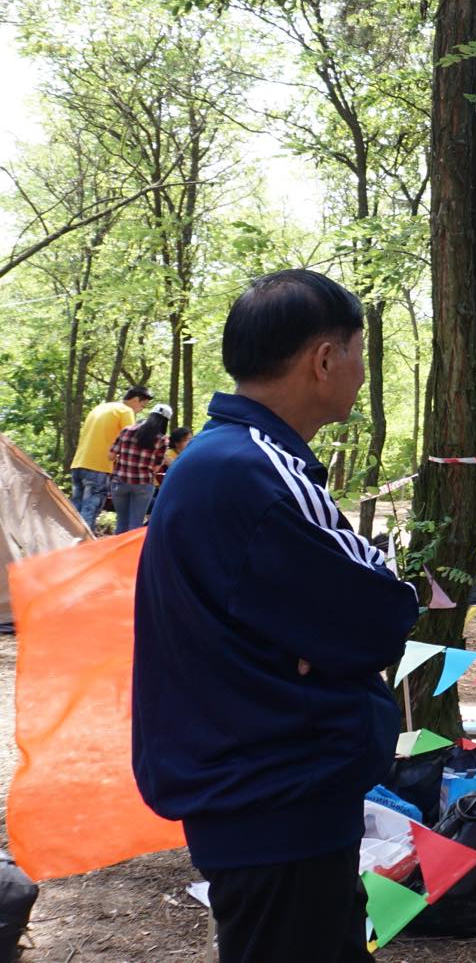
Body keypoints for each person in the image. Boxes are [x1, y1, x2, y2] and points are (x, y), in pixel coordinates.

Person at [133, 269, 421, 963]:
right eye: (358, 351)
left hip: (266, 790)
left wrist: (322, 641)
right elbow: (383, 611)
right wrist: (341, 635)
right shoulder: (253, 471)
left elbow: (338, 609)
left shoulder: (226, 458)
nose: (359, 370)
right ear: (324, 359)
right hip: (274, 795)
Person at [71, 383, 151, 534]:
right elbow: (130, 440)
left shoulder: (101, 407)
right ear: (135, 399)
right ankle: (84, 551)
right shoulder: (125, 411)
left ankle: (66, 546)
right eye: (143, 405)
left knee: (74, 512)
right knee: (89, 512)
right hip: (99, 466)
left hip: (78, 464)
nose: (141, 410)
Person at [107, 405, 172, 533]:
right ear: (165, 421)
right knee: (135, 525)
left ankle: (117, 551)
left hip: (120, 482)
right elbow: (156, 467)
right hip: (143, 484)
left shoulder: (126, 430)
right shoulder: (162, 440)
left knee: (121, 522)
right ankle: (130, 552)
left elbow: (110, 456)